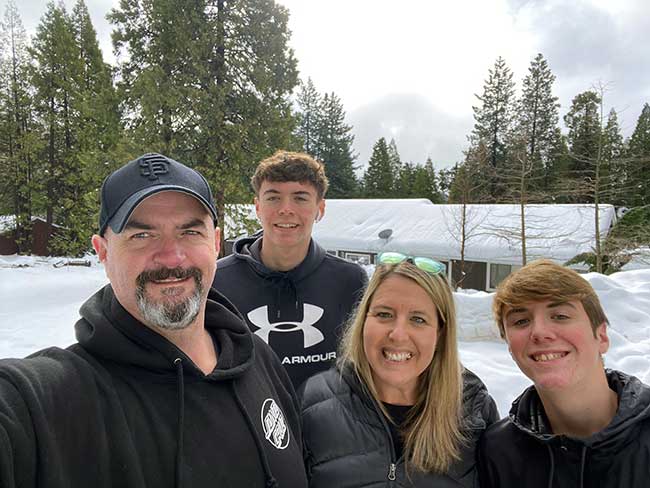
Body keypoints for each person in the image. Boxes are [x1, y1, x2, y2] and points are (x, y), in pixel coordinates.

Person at [0, 153, 307, 488]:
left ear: (216, 243)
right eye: (142, 236)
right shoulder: (53, 400)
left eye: (190, 232)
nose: (172, 257)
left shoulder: (259, 360)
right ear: (102, 251)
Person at [299, 252, 498, 487]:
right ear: (364, 320)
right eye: (384, 314)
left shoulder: (473, 410)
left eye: (418, 319)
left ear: (440, 333)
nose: (398, 334)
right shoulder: (313, 404)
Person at [478, 259, 650, 488]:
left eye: (560, 316)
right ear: (510, 347)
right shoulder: (498, 453)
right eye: (521, 321)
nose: (539, 332)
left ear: (601, 337)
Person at [213, 150, 367, 389]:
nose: (286, 209)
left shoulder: (350, 281)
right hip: (245, 424)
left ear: (320, 209)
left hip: (323, 424)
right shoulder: (218, 282)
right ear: (257, 206)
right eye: (273, 198)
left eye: (300, 198)